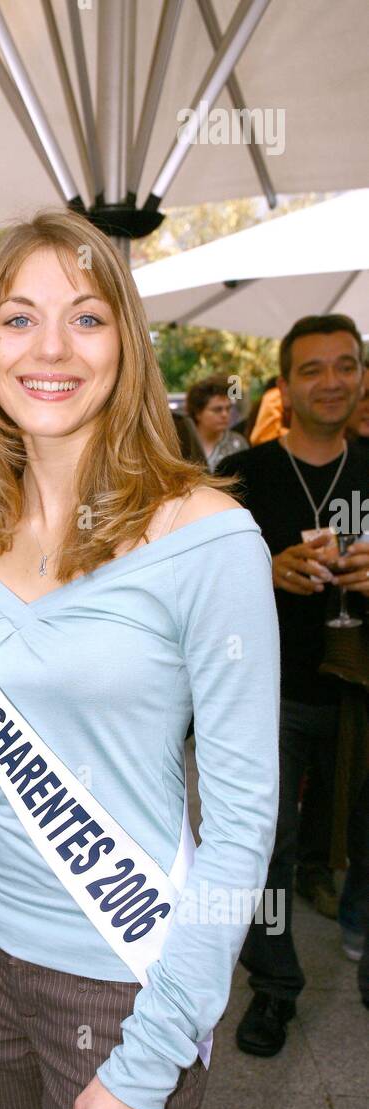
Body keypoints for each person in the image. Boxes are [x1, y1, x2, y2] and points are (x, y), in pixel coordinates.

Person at [0, 209, 280, 1109]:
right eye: (18, 318)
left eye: (84, 317)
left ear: (124, 342)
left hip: (118, 981)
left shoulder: (206, 536)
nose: (50, 347)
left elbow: (242, 824)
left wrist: (148, 1060)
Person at [230, 313, 369, 1055]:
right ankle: (274, 989)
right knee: (268, 847)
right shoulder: (245, 476)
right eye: (311, 369)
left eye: (344, 365)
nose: (330, 381)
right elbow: (196, 586)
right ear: (285, 386)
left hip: (362, 693)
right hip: (273, 693)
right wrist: (265, 570)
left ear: (363, 377)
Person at [185, 375, 249, 473]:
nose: (225, 414)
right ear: (198, 413)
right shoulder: (184, 444)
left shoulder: (238, 444)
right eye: (217, 410)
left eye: (228, 408)